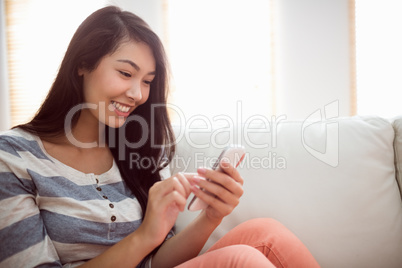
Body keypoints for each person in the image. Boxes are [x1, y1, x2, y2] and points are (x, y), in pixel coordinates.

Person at [0, 6, 319, 268]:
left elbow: (156, 261)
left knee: (265, 233)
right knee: (242, 259)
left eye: (147, 80)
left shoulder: (134, 150)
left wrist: (211, 217)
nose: (137, 93)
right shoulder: (12, 157)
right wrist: (144, 236)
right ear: (83, 63)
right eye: (125, 73)